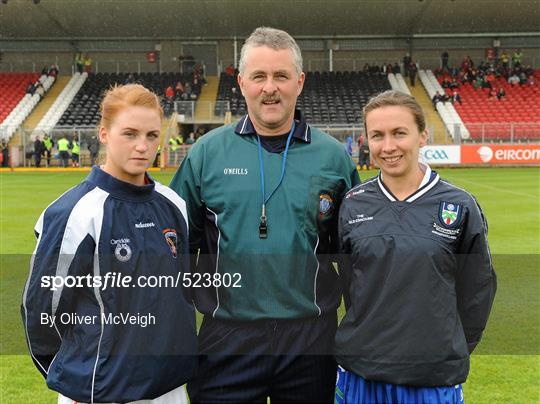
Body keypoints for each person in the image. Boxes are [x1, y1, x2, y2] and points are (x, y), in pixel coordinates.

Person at [170, 27, 359, 403]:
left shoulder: (333, 158)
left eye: (281, 76)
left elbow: (353, 254)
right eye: (259, 76)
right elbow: (174, 245)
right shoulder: (206, 154)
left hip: (311, 339)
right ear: (241, 83)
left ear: (299, 82)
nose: (269, 88)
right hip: (227, 337)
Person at [21, 84, 197, 404]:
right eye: (129, 134)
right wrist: (72, 375)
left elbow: (180, 294)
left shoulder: (174, 204)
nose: (142, 146)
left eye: (152, 135)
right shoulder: (74, 213)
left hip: (169, 389)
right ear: (104, 134)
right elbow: (42, 311)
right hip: (99, 393)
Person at [335, 90, 496, 404]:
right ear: (366, 141)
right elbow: (350, 285)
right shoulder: (352, 204)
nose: (389, 146)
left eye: (399, 133)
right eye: (377, 135)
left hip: (431, 378)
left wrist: (446, 347)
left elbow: (477, 291)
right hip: (361, 373)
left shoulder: (459, 205)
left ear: (422, 136)